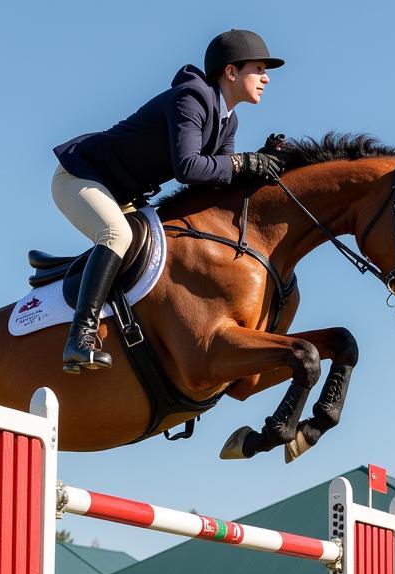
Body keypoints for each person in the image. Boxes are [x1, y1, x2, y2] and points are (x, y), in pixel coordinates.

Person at [52, 29, 284, 373]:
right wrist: (243, 163)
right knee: (117, 235)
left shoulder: (227, 120)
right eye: (259, 69)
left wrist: (256, 167)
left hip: (121, 193)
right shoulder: (191, 97)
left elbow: (215, 183)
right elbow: (189, 167)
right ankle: (79, 337)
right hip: (80, 177)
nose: (265, 78)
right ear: (231, 72)